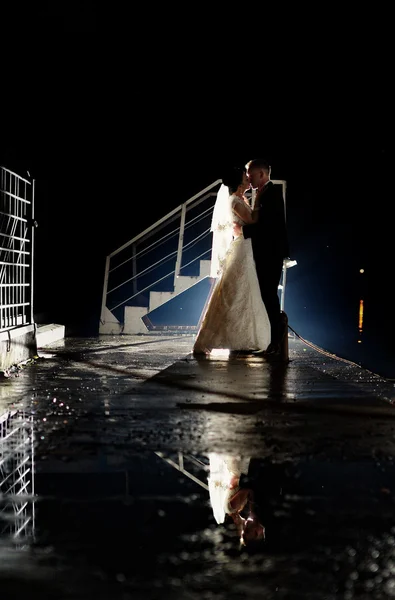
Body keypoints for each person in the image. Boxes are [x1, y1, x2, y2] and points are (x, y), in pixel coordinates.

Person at [193, 166, 271, 355]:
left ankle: (243, 337)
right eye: (245, 178)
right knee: (236, 292)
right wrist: (259, 199)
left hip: (245, 247)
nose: (248, 180)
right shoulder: (235, 201)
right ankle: (226, 337)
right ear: (239, 182)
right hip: (242, 249)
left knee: (242, 292)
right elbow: (252, 220)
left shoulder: (239, 199)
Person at [234, 158, 290, 357]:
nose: (248, 178)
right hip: (265, 252)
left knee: (268, 295)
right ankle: (272, 342)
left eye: (250, 174)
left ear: (260, 174)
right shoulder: (263, 193)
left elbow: (269, 226)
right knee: (266, 296)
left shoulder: (272, 193)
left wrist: (243, 230)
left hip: (270, 253)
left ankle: (276, 341)